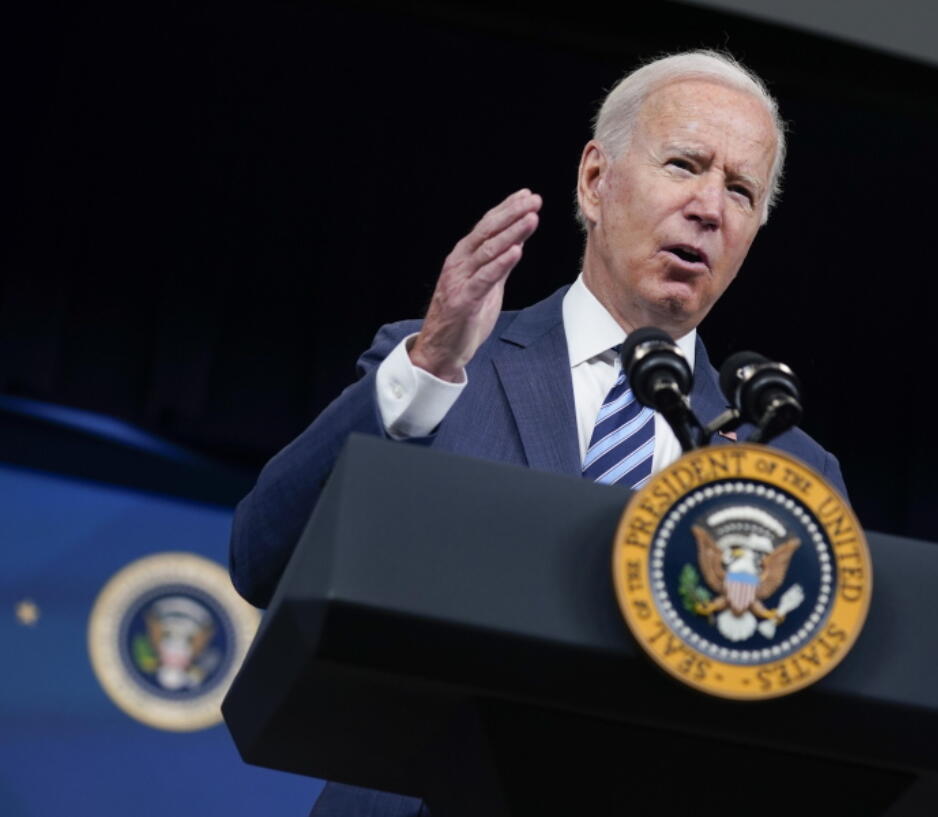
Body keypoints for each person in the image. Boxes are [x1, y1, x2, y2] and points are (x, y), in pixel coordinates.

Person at [229, 49, 848, 817]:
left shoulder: (786, 465)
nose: (709, 207)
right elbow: (264, 556)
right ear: (595, 180)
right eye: (684, 164)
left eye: (741, 190)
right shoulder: (448, 365)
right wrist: (425, 368)